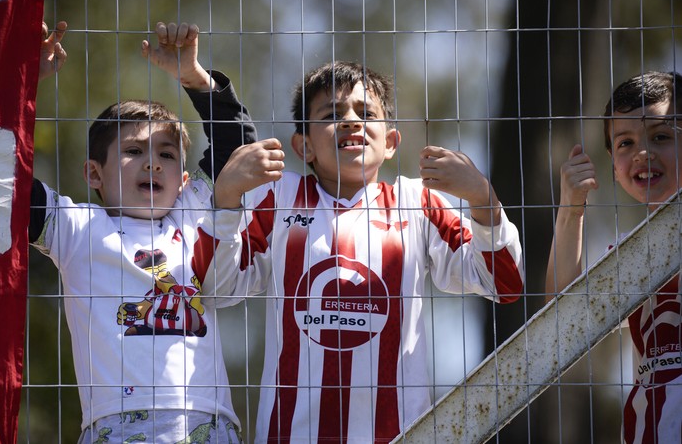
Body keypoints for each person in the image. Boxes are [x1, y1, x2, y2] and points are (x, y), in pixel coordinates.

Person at [193, 61, 525, 443]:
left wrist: (483, 199)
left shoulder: (417, 202)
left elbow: (506, 284)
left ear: (391, 143)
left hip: (400, 434)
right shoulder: (278, 197)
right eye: (332, 114)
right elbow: (215, 289)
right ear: (303, 146)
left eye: (365, 113)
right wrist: (227, 200)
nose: (351, 121)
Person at [32, 21, 256, 443]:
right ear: (93, 174)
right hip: (116, 425)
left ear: (185, 178)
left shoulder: (191, 216)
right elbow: (4, 171)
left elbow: (237, 146)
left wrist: (193, 77)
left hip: (207, 422)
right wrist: (22, 85)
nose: (153, 164)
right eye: (134, 151)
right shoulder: (75, 227)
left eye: (166, 154)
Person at [546, 71, 682, 444]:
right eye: (625, 143)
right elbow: (562, 322)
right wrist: (571, 210)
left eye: (661, 136)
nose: (643, 153)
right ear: (612, 163)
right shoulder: (630, 254)